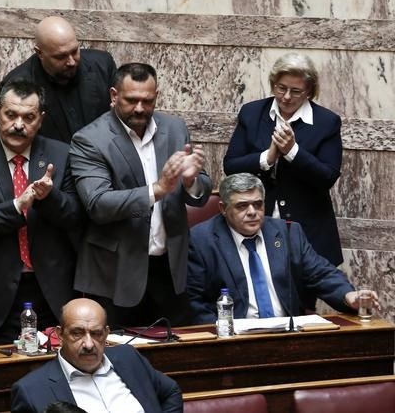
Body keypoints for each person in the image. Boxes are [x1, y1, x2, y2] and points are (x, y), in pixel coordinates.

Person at [69, 63, 212, 327]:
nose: (139, 108)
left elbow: (200, 192)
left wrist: (191, 181)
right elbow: (98, 204)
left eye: (147, 101)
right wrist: (157, 189)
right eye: (131, 100)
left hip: (170, 271)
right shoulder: (89, 139)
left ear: (156, 95)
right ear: (114, 96)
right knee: (119, 359)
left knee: (175, 357)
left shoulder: (175, 128)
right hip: (116, 275)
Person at [0, 79, 82, 346]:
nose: (18, 125)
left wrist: (49, 197)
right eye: (11, 115)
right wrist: (17, 205)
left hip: (50, 289)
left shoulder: (62, 154)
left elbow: (75, 216)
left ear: (41, 119)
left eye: (28, 117)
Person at [187, 173, 378, 324]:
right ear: (223, 208)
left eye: (258, 204)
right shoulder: (202, 240)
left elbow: (320, 273)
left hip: (288, 334)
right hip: (233, 340)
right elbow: (193, 301)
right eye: (242, 206)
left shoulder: (288, 232)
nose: (252, 212)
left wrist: (348, 296)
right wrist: (220, 333)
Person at [224, 53, 343, 281]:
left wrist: (293, 152)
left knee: (302, 305)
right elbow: (231, 165)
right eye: (281, 88)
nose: (286, 97)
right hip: (256, 226)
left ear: (309, 90)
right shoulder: (251, 113)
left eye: (296, 91)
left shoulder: (327, 122)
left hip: (308, 231)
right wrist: (267, 158)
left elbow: (327, 176)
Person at [11, 298, 182, 413]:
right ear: (60, 335)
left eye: (96, 333)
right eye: (77, 333)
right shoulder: (31, 390)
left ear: (106, 334)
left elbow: (171, 391)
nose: (89, 344)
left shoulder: (128, 357)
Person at [0, 15, 116, 143]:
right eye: (61, 57)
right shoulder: (17, 83)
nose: (72, 62)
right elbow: (12, 140)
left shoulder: (103, 65)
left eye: (75, 51)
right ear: (39, 53)